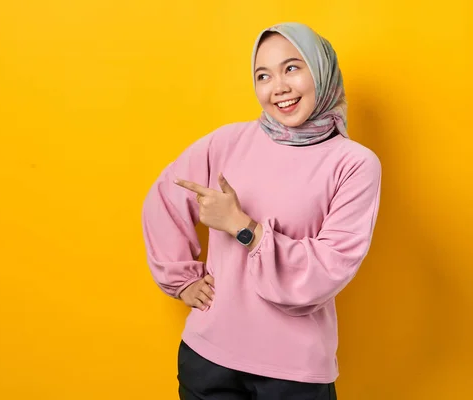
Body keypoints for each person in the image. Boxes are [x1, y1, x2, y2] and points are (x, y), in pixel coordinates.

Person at [141, 22, 381, 400]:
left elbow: (328, 267)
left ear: (321, 70)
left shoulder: (353, 163)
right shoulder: (228, 142)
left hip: (294, 374)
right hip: (208, 358)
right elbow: (165, 198)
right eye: (263, 75)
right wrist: (181, 279)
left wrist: (241, 225)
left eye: (292, 68)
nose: (278, 87)